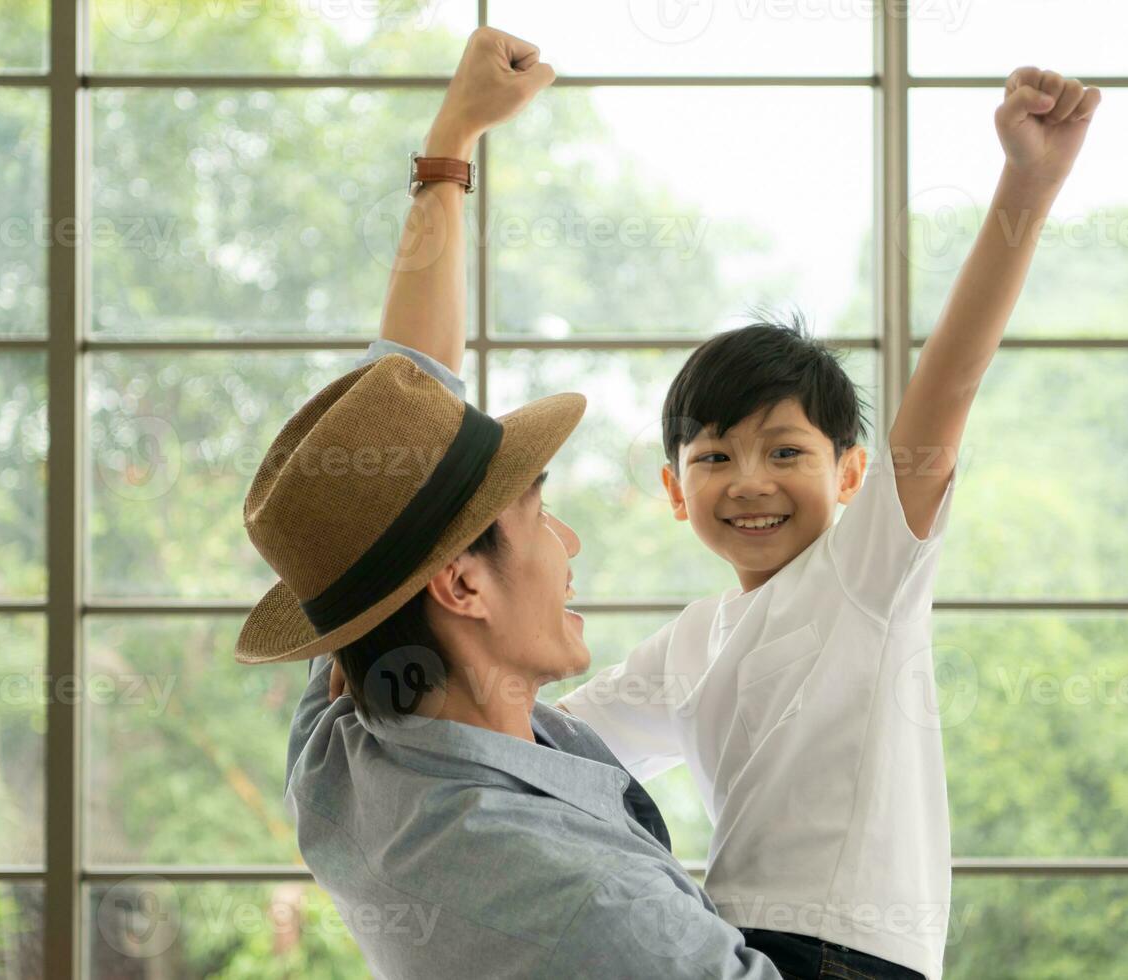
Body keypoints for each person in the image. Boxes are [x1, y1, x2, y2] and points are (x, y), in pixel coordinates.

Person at [238, 27, 784, 978]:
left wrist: (451, 150)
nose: (569, 542)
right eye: (538, 514)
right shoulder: (587, 905)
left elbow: (407, 388)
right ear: (459, 583)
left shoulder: (348, 740)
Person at [548, 68, 1103, 980]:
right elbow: (542, 744)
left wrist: (1026, 183)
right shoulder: (692, 639)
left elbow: (951, 380)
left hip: (851, 952)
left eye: (785, 453)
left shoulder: (865, 571)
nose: (748, 482)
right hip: (730, 948)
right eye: (714, 457)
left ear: (850, 472)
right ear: (674, 489)